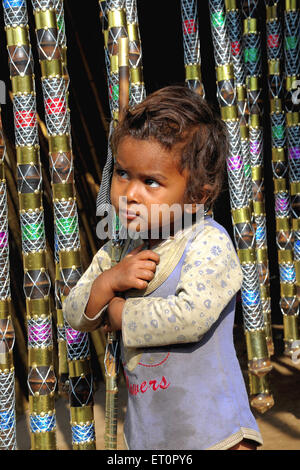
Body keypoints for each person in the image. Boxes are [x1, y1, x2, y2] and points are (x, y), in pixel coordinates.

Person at [63, 85, 263, 450]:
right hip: (151, 436)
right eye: (123, 173)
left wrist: (122, 312)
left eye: (150, 181)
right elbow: (75, 311)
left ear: (197, 195)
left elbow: (191, 316)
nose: (130, 193)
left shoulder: (207, 242)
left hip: (215, 434)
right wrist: (107, 283)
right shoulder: (118, 250)